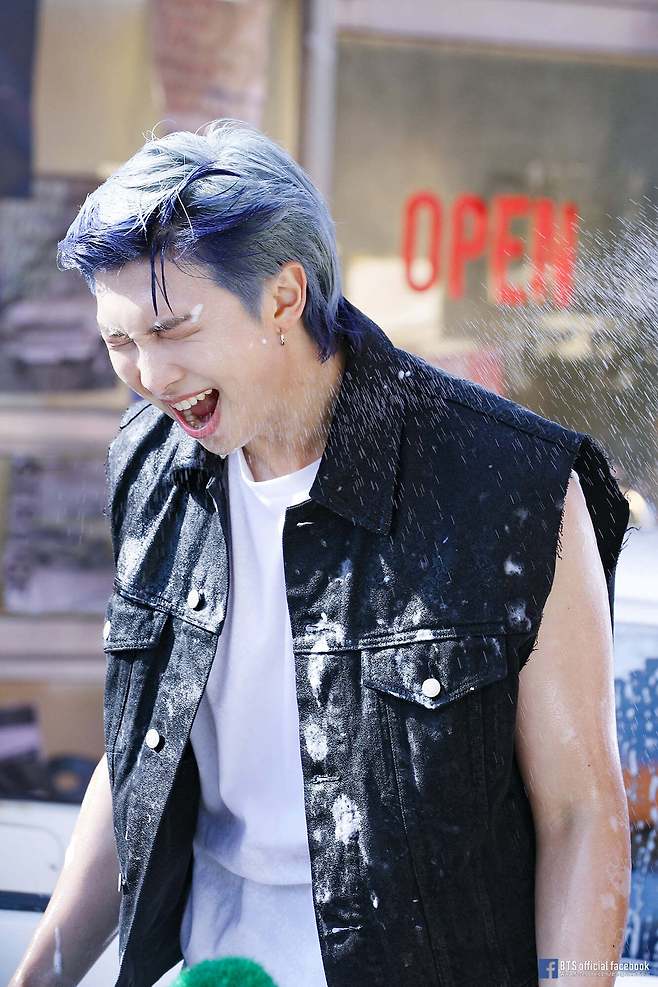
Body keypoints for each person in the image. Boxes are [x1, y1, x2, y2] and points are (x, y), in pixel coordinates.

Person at [10, 119, 631, 987]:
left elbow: (581, 815)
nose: (149, 376)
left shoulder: (515, 481)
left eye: (173, 330)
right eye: (120, 342)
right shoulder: (147, 463)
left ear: (283, 296)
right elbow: (140, 755)